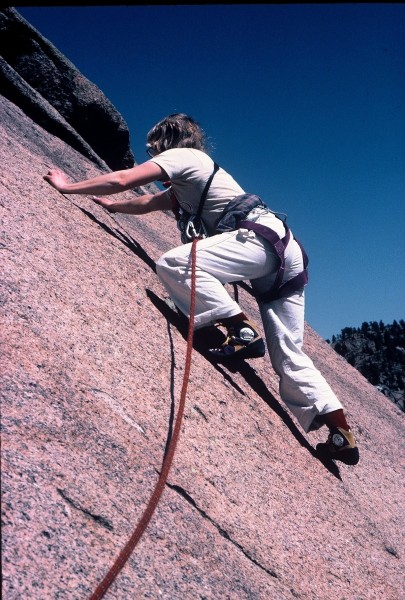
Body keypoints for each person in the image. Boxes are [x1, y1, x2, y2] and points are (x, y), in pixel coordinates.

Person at [44, 113, 359, 466]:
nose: (149, 150)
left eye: (153, 143)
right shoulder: (188, 185)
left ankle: (238, 328)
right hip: (285, 250)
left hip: (258, 240)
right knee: (288, 351)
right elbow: (146, 202)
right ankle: (339, 431)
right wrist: (113, 208)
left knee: (175, 263)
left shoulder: (184, 157)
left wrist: (67, 187)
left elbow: (122, 179)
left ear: (170, 138)